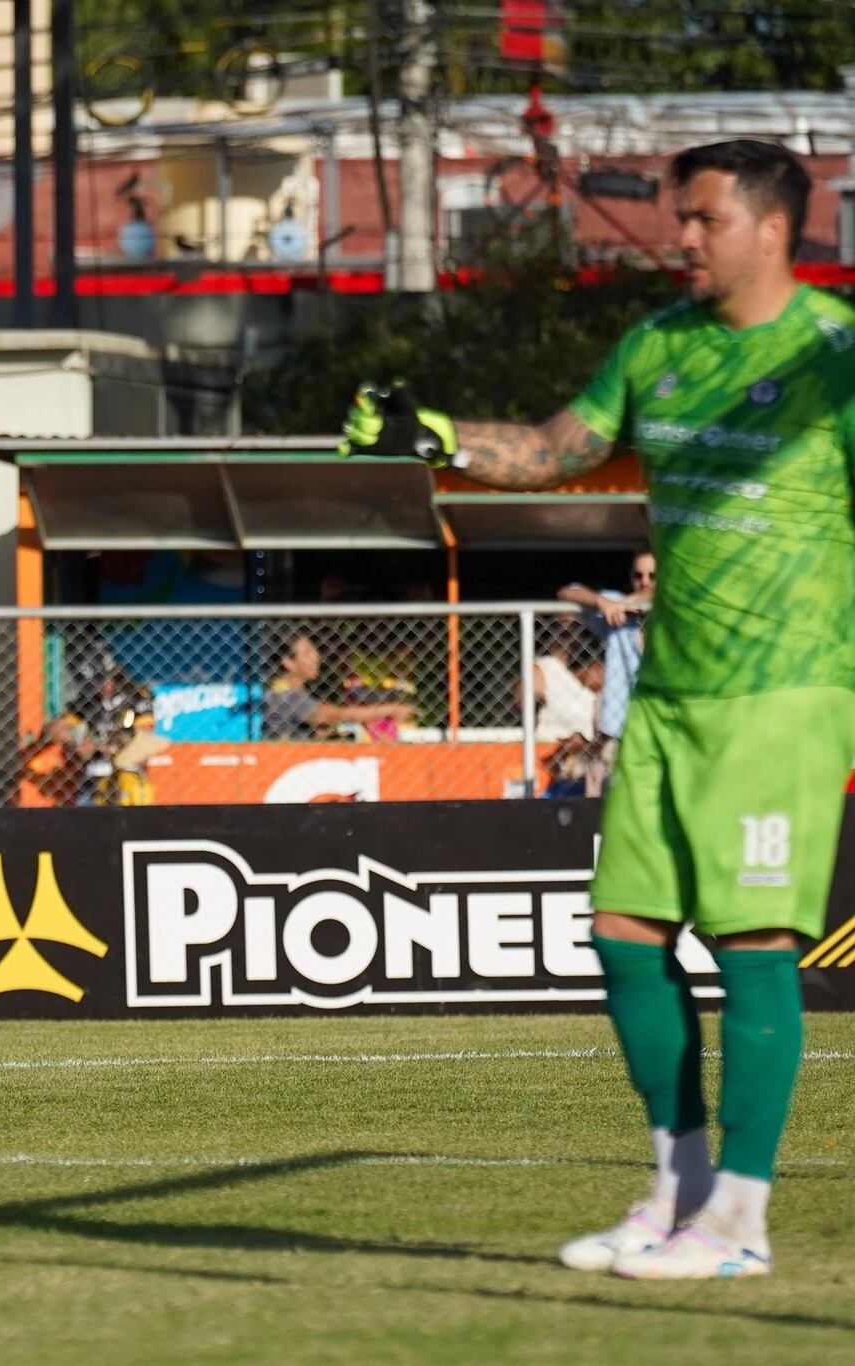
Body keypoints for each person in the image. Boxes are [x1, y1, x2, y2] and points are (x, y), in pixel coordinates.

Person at [341, 139, 846, 1279]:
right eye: (679, 217)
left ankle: (738, 1224)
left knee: (752, 940)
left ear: (772, 228)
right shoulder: (655, 344)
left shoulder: (835, 357)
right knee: (622, 931)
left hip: (784, 692)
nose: (680, 238)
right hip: (667, 691)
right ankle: (678, 1193)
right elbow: (555, 447)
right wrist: (436, 435)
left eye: (703, 220)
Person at [559, 549, 656, 792]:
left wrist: (636, 602)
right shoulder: (618, 608)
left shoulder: (673, 612)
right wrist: (603, 603)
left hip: (661, 725)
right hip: (620, 730)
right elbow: (567, 592)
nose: (645, 582)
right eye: (638, 576)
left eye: (652, 576)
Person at [261, 635, 416, 740]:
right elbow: (332, 715)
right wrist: (389, 710)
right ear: (288, 663)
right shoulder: (285, 694)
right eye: (307, 653)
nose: (316, 657)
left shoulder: (295, 691)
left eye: (314, 651)